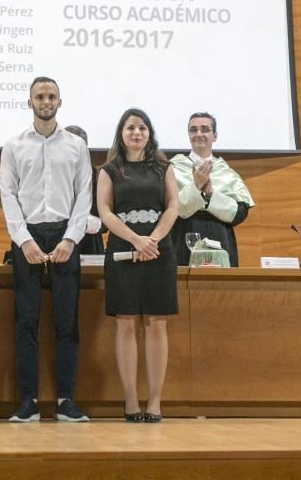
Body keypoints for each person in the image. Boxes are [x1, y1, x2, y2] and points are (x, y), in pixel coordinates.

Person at [0, 77, 92, 423]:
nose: (46, 101)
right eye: (40, 96)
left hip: (66, 235)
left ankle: (66, 400)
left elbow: (84, 194)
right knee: (26, 321)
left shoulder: (76, 146)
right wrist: (24, 241)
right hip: (27, 238)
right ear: (30, 102)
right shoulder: (13, 146)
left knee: (67, 321)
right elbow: (7, 195)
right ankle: (29, 402)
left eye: (51, 95)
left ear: (59, 101)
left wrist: (71, 239)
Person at [97, 108, 179, 422]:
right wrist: (136, 240)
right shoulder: (109, 170)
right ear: (121, 133)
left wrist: (153, 240)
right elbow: (105, 212)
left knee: (157, 323)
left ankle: (155, 402)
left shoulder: (163, 166)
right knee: (126, 322)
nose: (136, 133)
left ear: (149, 133)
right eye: (131, 127)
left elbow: (173, 206)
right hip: (122, 250)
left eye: (142, 128)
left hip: (160, 251)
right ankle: (131, 401)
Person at [169, 112, 254, 266]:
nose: (198, 134)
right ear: (188, 135)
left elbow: (240, 213)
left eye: (204, 129)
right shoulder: (173, 168)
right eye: (193, 130)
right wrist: (195, 187)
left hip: (220, 236)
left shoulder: (226, 172)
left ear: (214, 136)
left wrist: (210, 194)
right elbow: (168, 207)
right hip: (183, 236)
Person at [64, 125, 105, 255]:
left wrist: (97, 223)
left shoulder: (97, 175)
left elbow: (107, 215)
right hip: (57, 240)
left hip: (89, 243)